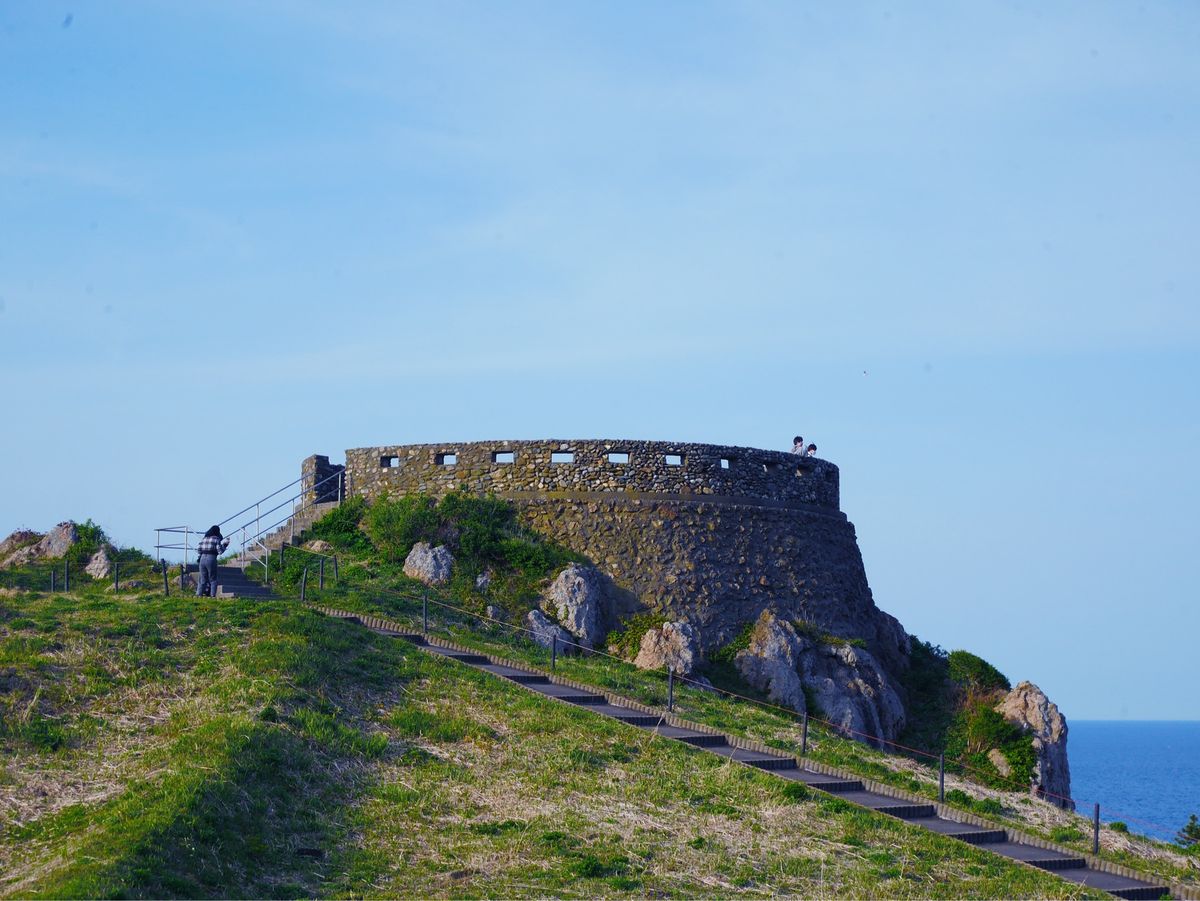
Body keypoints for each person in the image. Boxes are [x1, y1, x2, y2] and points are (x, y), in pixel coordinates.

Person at [196, 525, 229, 597]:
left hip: (202, 558)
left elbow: (198, 550)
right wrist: (225, 545)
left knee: (202, 578)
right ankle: (212, 595)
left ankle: (199, 594)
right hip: (211, 558)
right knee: (213, 578)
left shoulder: (204, 539)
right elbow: (220, 551)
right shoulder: (216, 539)